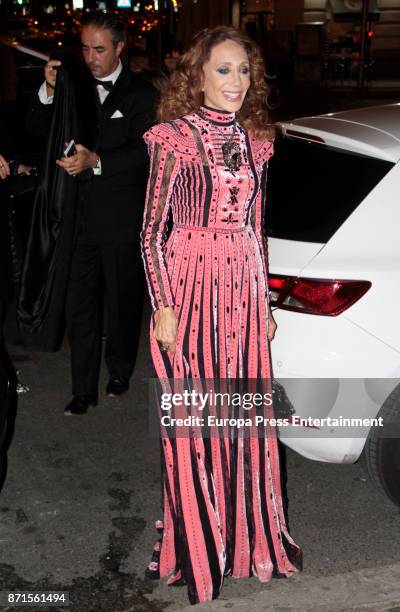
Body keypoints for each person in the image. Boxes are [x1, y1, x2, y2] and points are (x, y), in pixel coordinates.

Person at [141, 26, 302, 605]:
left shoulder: (258, 140)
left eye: (244, 70)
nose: (237, 82)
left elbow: (257, 230)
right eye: (224, 70)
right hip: (187, 287)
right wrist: (163, 303)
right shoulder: (173, 138)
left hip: (240, 290)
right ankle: (199, 544)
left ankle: (248, 539)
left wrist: (263, 303)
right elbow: (151, 232)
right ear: (198, 76)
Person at [26, 12, 157, 415]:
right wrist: (48, 92)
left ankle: (119, 369)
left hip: (120, 217)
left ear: (120, 48)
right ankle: (82, 389)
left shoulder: (142, 93)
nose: (90, 57)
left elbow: (144, 149)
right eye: (84, 48)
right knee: (78, 305)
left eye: (99, 49)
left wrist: (97, 160)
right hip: (77, 218)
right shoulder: (72, 84)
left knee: (121, 301)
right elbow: (34, 129)